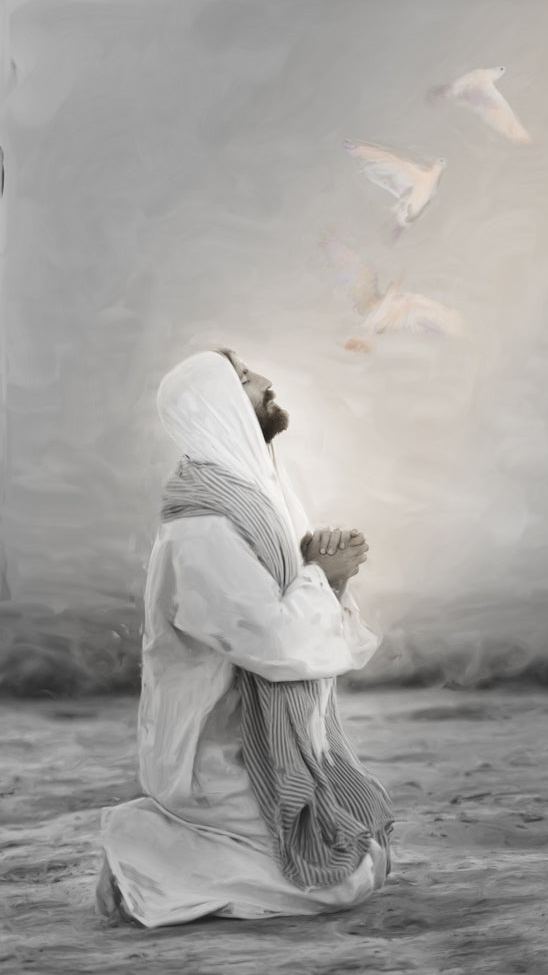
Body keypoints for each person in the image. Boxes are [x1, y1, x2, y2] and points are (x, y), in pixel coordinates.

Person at [95, 348, 392, 928]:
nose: (266, 383)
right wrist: (320, 576)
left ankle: (176, 850)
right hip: (213, 757)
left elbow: (285, 610)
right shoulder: (203, 527)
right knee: (342, 884)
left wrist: (331, 576)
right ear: (219, 404)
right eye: (246, 378)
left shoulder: (254, 499)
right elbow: (271, 643)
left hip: (251, 740)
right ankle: (140, 843)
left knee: (368, 856)